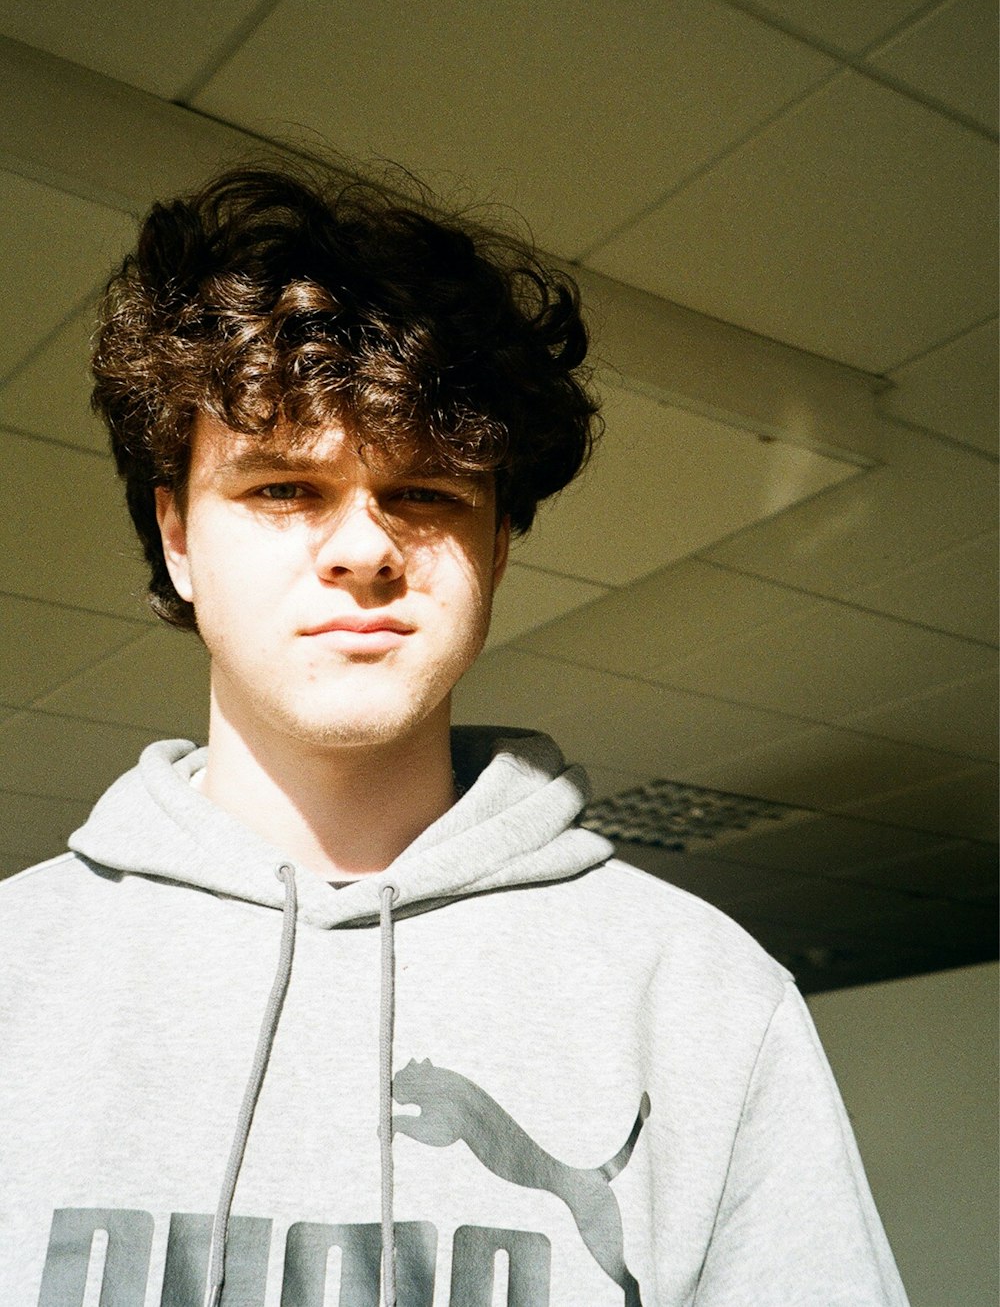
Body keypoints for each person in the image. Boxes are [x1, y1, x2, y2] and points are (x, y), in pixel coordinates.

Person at [0, 160, 908, 1307]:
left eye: (426, 493)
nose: (362, 548)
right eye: (283, 488)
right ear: (176, 535)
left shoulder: (700, 1001)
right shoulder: (11, 979)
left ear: (496, 546)